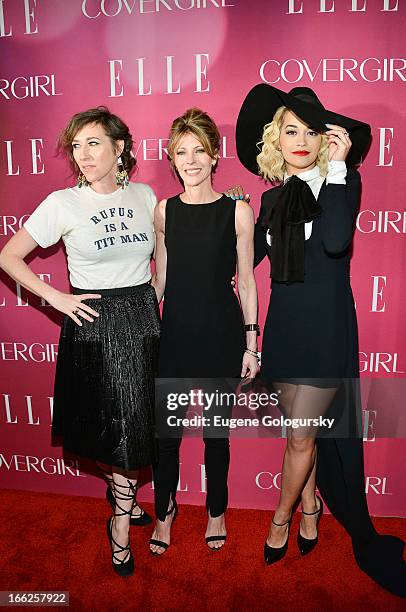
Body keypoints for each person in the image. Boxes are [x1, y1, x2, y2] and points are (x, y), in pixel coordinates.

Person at [235, 85, 405, 596]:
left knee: (301, 437)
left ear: (330, 141)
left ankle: (281, 518)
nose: (302, 140)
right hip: (285, 330)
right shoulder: (267, 200)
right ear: (275, 140)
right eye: (291, 131)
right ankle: (310, 505)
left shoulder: (344, 183)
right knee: (298, 432)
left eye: (313, 132)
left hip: (327, 329)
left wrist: (337, 168)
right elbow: (245, 267)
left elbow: (333, 241)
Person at [0, 107, 160, 578]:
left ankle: (123, 498)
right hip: (93, 320)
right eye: (76, 145)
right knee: (117, 424)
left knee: (137, 420)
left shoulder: (146, 195)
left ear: (120, 148)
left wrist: (159, 293)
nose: (83, 154)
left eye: (93, 143)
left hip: (141, 316)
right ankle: (120, 522)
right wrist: (55, 298)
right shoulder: (62, 203)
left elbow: (161, 251)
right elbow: (9, 256)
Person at [149, 107, 259, 554]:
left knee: (217, 436)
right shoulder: (163, 211)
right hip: (173, 340)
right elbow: (160, 281)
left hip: (220, 338)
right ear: (172, 159)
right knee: (166, 438)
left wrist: (252, 343)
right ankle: (164, 511)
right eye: (181, 152)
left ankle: (216, 511)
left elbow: (247, 280)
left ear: (215, 156)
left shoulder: (238, 211)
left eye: (199, 151)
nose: (190, 160)